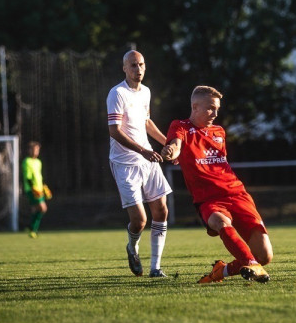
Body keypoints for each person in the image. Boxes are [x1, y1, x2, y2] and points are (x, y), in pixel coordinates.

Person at [161, 85, 272, 284]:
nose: (215, 113)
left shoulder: (219, 131)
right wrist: (172, 151)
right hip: (209, 200)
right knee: (221, 222)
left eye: (217, 108)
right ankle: (251, 264)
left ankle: (222, 270)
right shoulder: (180, 126)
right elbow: (176, 145)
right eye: (210, 108)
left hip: (238, 194)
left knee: (265, 256)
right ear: (195, 107)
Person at [107, 50, 172, 278]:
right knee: (140, 220)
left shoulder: (146, 91)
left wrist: (168, 143)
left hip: (148, 159)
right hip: (125, 163)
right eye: (133, 65)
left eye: (141, 65)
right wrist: (143, 150)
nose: (138, 69)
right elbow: (114, 131)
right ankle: (131, 247)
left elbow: (146, 122)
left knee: (161, 210)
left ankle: (155, 268)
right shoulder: (117, 93)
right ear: (124, 68)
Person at [22, 141, 50, 238]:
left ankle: (32, 229)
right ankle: (32, 228)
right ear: (29, 150)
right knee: (43, 208)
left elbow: (39, 176)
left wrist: (43, 187)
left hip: (39, 189)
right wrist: (33, 188)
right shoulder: (27, 161)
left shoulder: (38, 162)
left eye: (37, 149)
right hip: (31, 189)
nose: (36, 151)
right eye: (34, 149)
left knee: (36, 209)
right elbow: (28, 176)